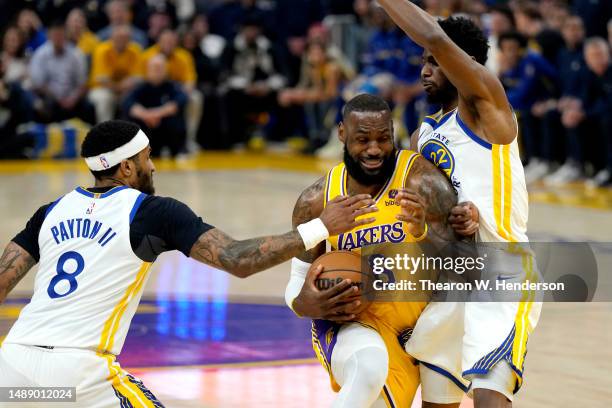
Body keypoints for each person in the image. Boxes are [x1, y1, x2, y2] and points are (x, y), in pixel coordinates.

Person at [0, 119, 376, 407]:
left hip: (12, 367)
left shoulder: (49, 212)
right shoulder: (153, 212)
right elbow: (237, 259)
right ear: (127, 168)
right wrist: (320, 227)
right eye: (147, 160)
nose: (153, 168)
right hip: (80, 374)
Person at [379, 1, 542, 407]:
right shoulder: (424, 136)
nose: (425, 69)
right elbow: (422, 217)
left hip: (501, 268)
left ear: (462, 63)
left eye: (435, 61)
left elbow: (434, 33)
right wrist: (443, 222)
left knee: (489, 397)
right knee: (437, 400)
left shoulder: (487, 106)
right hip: (451, 277)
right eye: (424, 62)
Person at [285, 94, 459, 408]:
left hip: (422, 325)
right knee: (368, 366)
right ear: (341, 133)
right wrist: (303, 303)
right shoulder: (315, 200)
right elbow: (296, 285)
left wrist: (422, 233)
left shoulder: (421, 182)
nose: (375, 149)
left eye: (383, 138)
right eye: (363, 139)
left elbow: (461, 263)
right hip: (354, 323)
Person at [89, 25, 142, 123]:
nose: (121, 41)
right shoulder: (102, 50)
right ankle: (104, 132)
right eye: (118, 37)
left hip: (125, 89)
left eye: (125, 38)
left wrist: (123, 87)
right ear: (111, 38)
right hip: (101, 88)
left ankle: (129, 133)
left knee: (133, 97)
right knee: (105, 98)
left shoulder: (135, 50)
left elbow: (137, 78)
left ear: (129, 39)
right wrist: (119, 87)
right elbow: (102, 80)